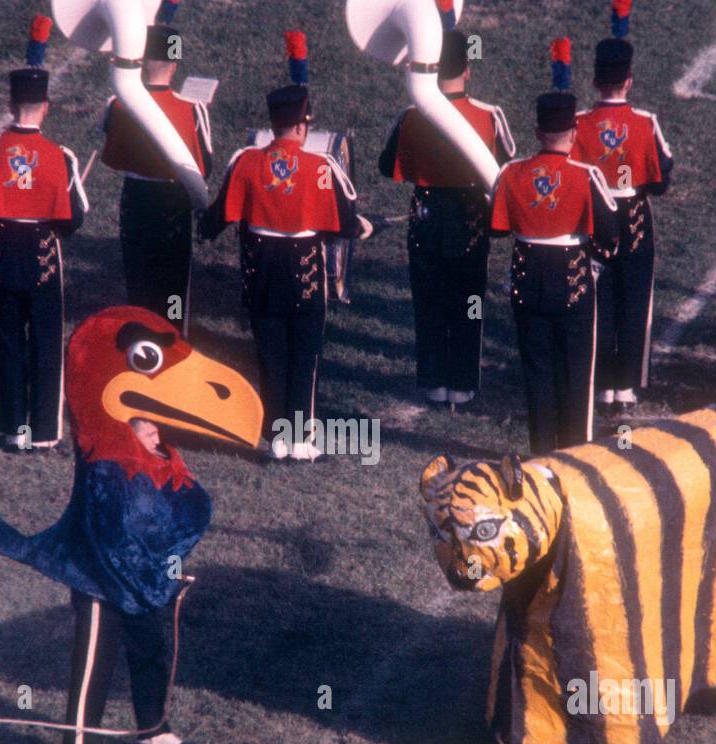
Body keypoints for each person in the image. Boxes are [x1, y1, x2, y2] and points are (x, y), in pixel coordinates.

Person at [0, 307, 264, 744]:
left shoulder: (156, 455)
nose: (153, 430)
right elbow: (118, 522)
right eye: (145, 426)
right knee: (96, 654)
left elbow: (183, 505)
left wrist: (159, 454)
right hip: (99, 578)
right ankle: (82, 738)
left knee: (153, 649)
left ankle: (152, 726)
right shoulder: (103, 460)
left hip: (146, 581)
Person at [199, 33, 369, 462]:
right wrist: (363, 227)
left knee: (271, 354)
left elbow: (215, 220)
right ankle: (302, 440)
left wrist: (200, 220)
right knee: (305, 356)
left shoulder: (246, 161)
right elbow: (346, 223)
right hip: (306, 275)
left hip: (261, 274)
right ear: (302, 125)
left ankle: (277, 437)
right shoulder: (321, 167)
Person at [0, 16, 88, 452]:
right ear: (45, 107)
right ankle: (46, 432)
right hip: (43, 256)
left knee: (6, 342)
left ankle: (15, 430)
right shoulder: (60, 156)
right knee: (47, 344)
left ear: (11, 106)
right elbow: (75, 220)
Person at [378, 28, 513, 408]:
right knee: (470, 300)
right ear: (467, 70)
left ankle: (433, 381)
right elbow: (504, 169)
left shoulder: (410, 116)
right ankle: (464, 383)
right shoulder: (489, 116)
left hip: (425, 218)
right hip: (470, 219)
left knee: (429, 300)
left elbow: (388, 165)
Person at [488, 63, 619, 456]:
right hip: (573, 283)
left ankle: (541, 456)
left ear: (537, 133)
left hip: (527, 280)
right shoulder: (585, 175)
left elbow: (495, 229)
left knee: (537, 372)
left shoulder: (511, 173)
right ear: (574, 134)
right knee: (577, 374)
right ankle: (575, 455)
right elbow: (611, 237)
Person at [571, 3, 672, 415]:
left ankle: (600, 385)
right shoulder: (645, 122)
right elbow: (662, 178)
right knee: (634, 301)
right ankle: (626, 386)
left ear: (595, 80)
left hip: (596, 218)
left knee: (599, 301)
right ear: (629, 81)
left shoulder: (578, 122)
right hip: (634, 218)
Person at [99, 4, 210, 331]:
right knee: (174, 281)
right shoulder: (191, 109)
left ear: (143, 62)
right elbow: (206, 163)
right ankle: (172, 333)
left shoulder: (118, 105)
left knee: (139, 275)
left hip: (135, 200)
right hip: (173, 203)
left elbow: (110, 145)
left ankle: (142, 331)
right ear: (175, 64)